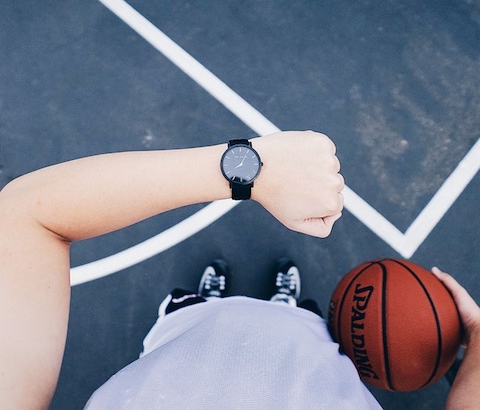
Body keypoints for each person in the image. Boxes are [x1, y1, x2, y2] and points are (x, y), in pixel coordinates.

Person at [0, 131, 478, 409]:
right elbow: (27, 218)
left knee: (195, 323)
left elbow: (26, 218)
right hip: (305, 347)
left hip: (189, 336)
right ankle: (283, 308)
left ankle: (213, 304)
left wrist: (250, 169)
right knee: (296, 327)